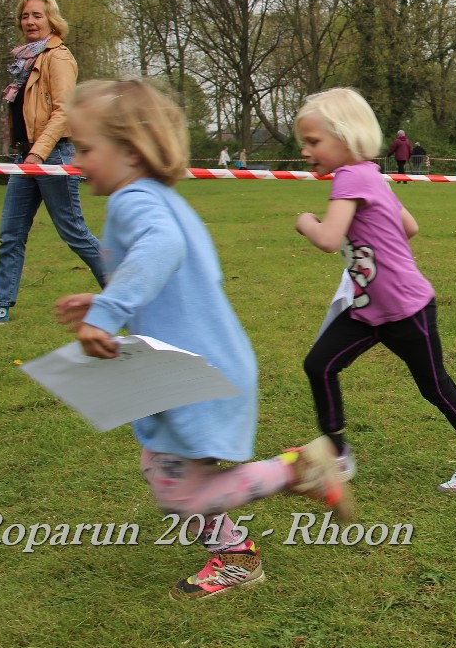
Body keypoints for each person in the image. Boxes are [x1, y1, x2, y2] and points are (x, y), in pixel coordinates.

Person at [53, 79, 349, 600]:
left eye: (85, 148)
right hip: (198, 365)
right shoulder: (156, 198)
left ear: (129, 150)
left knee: (178, 492)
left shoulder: (133, 201)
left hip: (192, 371)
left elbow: (161, 247)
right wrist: (105, 298)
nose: (76, 163)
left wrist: (109, 310)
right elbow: (170, 277)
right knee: (160, 467)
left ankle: (295, 473)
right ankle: (235, 550)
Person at [293, 88, 456, 492]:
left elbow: (327, 238)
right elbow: (409, 226)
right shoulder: (370, 175)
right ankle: (336, 455)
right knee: (320, 365)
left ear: (344, 137)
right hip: (368, 310)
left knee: (435, 385)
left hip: (406, 310)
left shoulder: (350, 177)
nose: (305, 151)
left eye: (313, 141)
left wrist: (306, 221)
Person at [0, 0, 106, 326]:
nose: (30, 21)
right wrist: (27, 153)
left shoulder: (58, 58)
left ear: (52, 20)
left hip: (51, 155)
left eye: (37, 15)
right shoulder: (26, 61)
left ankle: (124, 297)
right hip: (26, 157)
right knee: (11, 232)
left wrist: (38, 152)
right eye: (25, 16)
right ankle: (0, 307)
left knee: (74, 232)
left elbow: (64, 111)